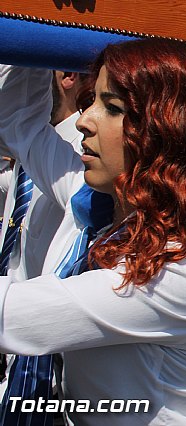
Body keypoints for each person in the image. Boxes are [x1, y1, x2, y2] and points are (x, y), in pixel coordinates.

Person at [0, 38, 186, 425]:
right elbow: (20, 122)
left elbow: (12, 314)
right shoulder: (92, 199)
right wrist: (35, 24)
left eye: (112, 107)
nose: (83, 121)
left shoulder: (177, 267)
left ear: (166, 130)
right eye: (90, 100)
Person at [0, 69, 85, 424]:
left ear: (68, 75)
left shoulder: (87, 159)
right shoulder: (32, 148)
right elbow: (12, 112)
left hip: (49, 367)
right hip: (11, 349)